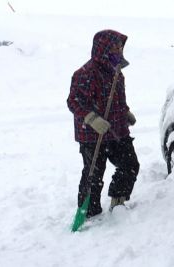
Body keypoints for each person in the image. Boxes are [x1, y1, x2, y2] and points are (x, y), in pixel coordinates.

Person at [67, 29, 139, 217]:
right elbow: (74, 101)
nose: (118, 50)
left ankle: (118, 200)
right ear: (104, 48)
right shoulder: (85, 73)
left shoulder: (116, 73)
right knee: (93, 175)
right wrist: (92, 119)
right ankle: (88, 212)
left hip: (116, 131)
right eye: (114, 46)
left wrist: (125, 112)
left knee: (130, 164)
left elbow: (115, 99)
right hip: (93, 135)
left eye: (120, 46)